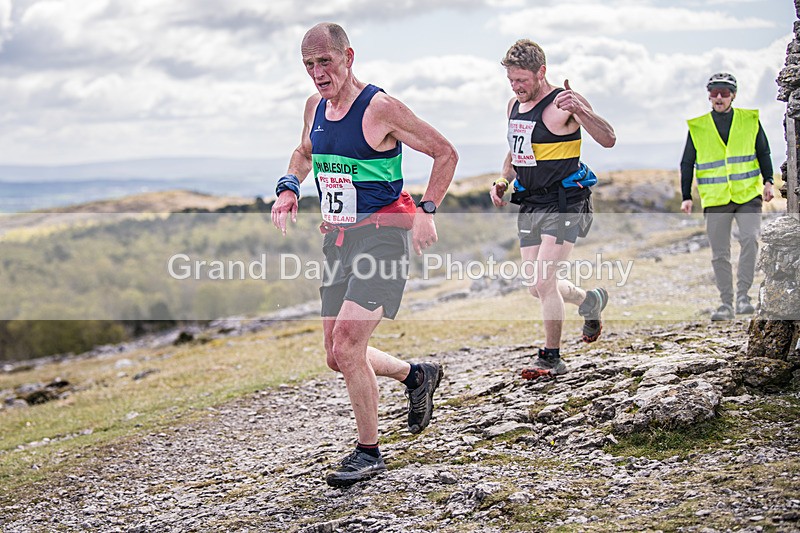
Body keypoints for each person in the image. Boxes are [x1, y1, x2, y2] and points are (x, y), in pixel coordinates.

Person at [271, 22, 457, 487]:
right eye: (309, 65)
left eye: (324, 62)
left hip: (382, 240)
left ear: (348, 57)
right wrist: (289, 187)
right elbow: (303, 151)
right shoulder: (315, 106)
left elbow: (445, 152)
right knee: (336, 354)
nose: (317, 73)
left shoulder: (380, 108)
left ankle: (369, 452)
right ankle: (416, 375)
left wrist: (427, 209)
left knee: (350, 345)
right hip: (338, 241)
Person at [490, 39, 616, 378]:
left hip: (565, 201)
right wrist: (502, 180)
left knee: (544, 281)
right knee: (536, 286)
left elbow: (608, 138)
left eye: (522, 80)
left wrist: (582, 110)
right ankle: (589, 301)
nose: (516, 87)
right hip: (531, 201)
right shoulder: (513, 107)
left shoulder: (564, 103)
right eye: (511, 80)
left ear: (541, 72)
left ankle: (551, 358)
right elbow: (516, 151)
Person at [680, 72, 774, 321]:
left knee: (750, 239)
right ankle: (726, 304)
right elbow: (687, 162)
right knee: (719, 253)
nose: (719, 97)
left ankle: (744, 297)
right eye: (714, 93)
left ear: (733, 95)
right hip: (716, 199)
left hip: (747, 195)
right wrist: (686, 196)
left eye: (724, 92)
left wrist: (769, 181)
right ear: (709, 96)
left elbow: (763, 151)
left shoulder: (749, 120)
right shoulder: (698, 126)